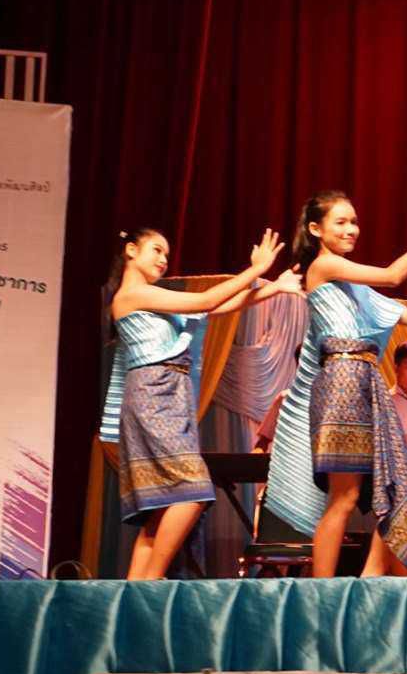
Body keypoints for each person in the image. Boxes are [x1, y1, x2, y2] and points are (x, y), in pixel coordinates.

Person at [271, 191, 407, 578]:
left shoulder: (352, 284)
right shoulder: (324, 266)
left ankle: (369, 578)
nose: (351, 229)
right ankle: (322, 589)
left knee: (398, 485)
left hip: (365, 380)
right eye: (341, 222)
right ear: (316, 229)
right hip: (343, 378)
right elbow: (394, 275)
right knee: (344, 496)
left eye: (354, 222)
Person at [102, 226, 296, 579]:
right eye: (156, 250)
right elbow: (205, 301)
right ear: (131, 251)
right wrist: (256, 270)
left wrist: (273, 288)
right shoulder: (132, 295)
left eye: (166, 253)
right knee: (193, 494)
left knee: (160, 510)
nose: (164, 259)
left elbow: (215, 308)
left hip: (168, 394)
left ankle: (133, 590)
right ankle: (152, 581)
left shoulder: (154, 298)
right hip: (154, 393)